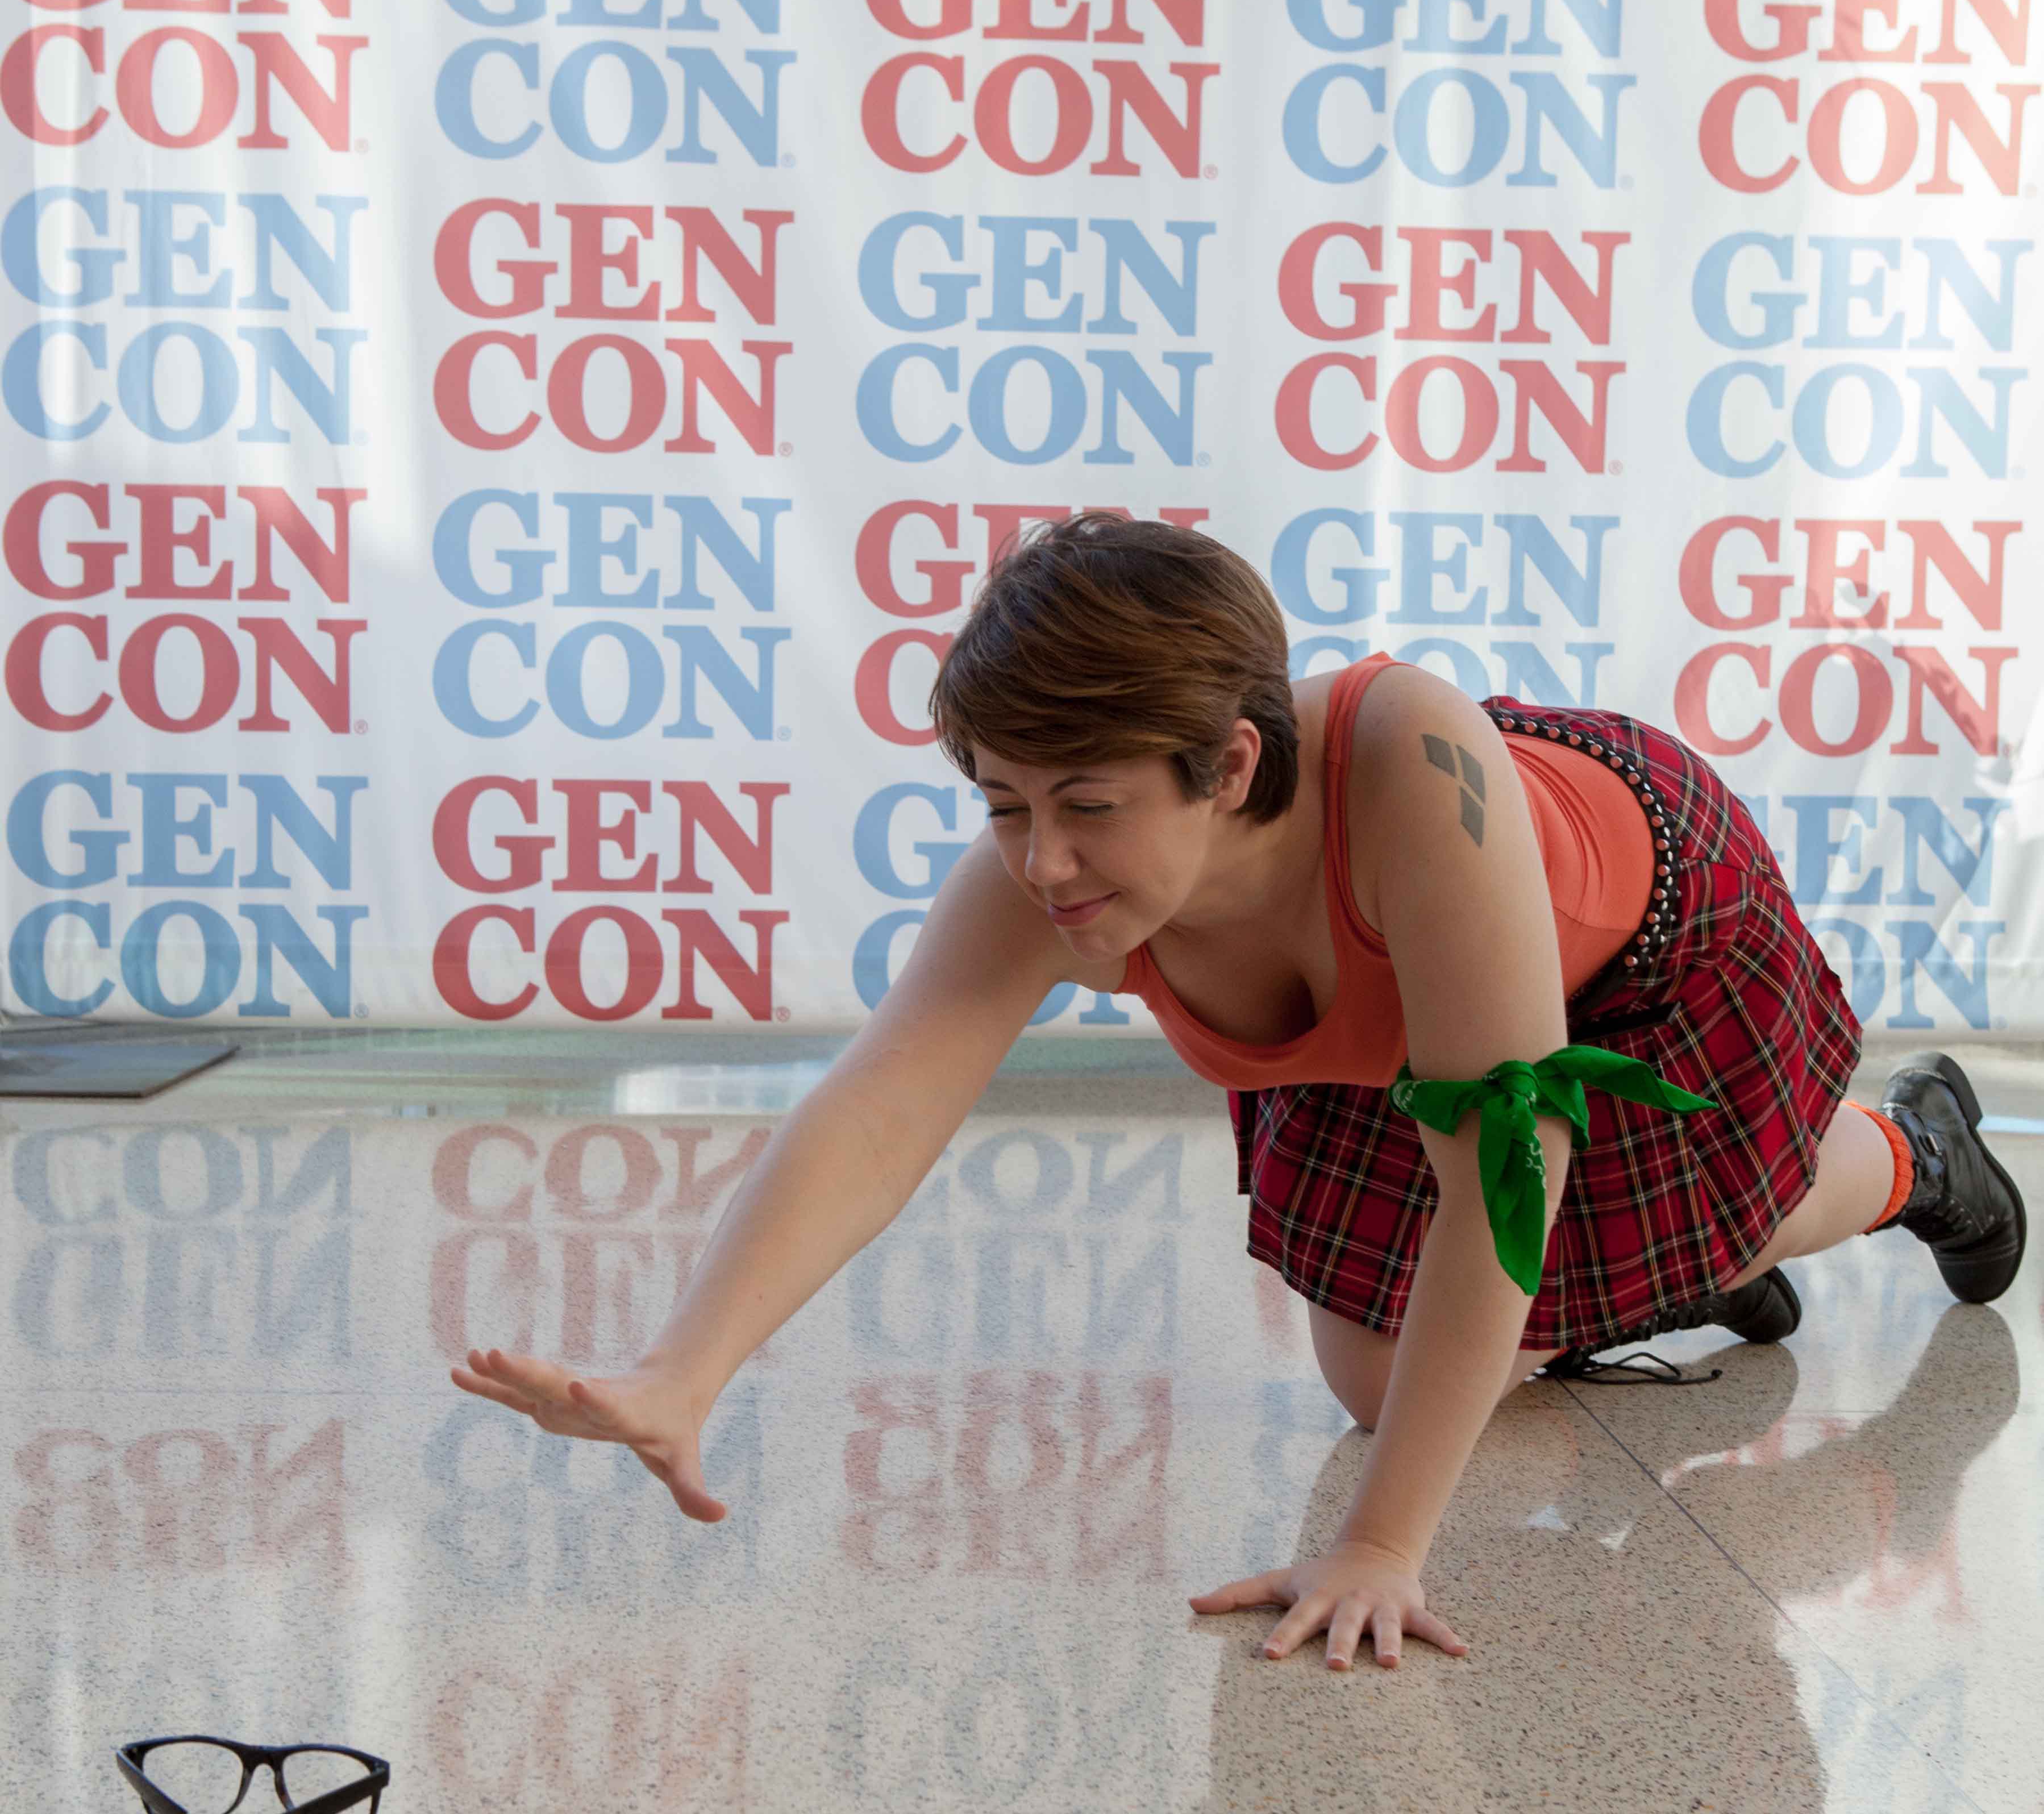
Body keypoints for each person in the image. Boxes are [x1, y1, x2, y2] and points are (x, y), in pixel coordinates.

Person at [449, 515, 2026, 1677]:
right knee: (1375, 1382)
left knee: (1695, 1219)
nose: (1041, 859)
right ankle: (1663, 1270)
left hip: (1637, 950)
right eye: (1002, 805)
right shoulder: (1049, 868)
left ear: (1231, 767)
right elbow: (879, 1111)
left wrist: (1381, 1543)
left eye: (1086, 805)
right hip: (1398, 1029)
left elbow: (1509, 1160)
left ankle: (1910, 1155)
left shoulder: (1411, 773)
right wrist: (684, 1369)